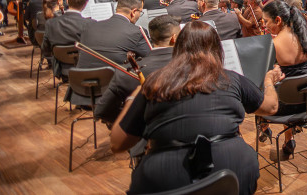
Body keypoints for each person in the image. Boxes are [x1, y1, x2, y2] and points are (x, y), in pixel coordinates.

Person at [110, 21, 285, 194]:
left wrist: (135, 95)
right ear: (217, 49)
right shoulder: (232, 78)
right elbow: (271, 107)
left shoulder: (155, 83)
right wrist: (269, 81)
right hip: (234, 169)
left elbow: (118, 143)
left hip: (164, 177)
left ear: (177, 48)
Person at [95, 15, 179, 124]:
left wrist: (133, 123)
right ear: (174, 38)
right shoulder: (193, 66)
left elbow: (102, 112)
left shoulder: (124, 72)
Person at [261, 0, 307, 160]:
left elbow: (264, 75)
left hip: (285, 105)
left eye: (266, 21)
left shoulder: (274, 45)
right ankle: (288, 139)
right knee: (289, 87)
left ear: (278, 20)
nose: (264, 25)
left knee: (260, 89)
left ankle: (263, 126)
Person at [76, 0, 151, 69]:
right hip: (114, 76)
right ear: (134, 12)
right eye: (140, 12)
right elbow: (149, 58)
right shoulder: (138, 32)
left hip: (81, 75)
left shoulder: (88, 26)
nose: (140, 15)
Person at [43, 0, 89, 78]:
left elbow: (45, 49)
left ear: (67, 1)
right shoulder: (89, 24)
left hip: (61, 68)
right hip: (85, 68)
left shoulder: (50, 23)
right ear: (85, 4)